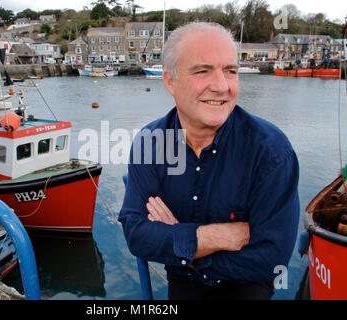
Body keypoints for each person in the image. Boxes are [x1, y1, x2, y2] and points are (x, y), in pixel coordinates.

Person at [118, 22, 300, 300]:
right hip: (182, 290)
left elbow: (270, 262)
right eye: (203, 71)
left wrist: (182, 247)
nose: (221, 86)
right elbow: (136, 233)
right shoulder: (150, 143)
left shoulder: (270, 151)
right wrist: (215, 238)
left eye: (230, 71)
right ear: (170, 81)